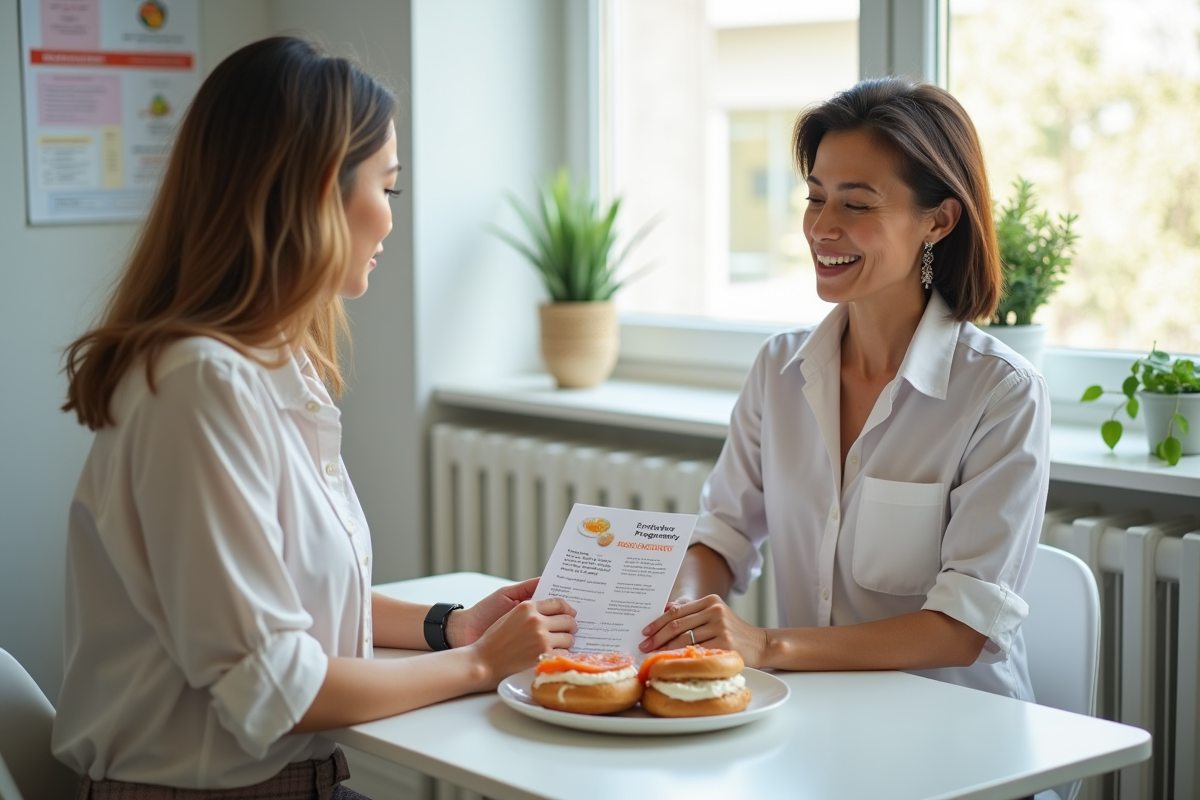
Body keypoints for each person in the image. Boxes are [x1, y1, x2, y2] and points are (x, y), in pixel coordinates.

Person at [53, 37, 576, 798]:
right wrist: (482, 665)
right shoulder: (199, 385)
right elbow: (277, 686)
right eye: (387, 189)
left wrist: (452, 625)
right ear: (317, 191)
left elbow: (282, 604)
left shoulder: (272, 367)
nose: (391, 223)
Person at [640, 77, 1049, 702]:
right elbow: (721, 536)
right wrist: (684, 610)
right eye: (815, 198)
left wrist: (765, 646)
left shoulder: (1001, 395)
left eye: (856, 205)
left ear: (937, 221)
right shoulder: (779, 369)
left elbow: (962, 628)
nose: (822, 228)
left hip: (956, 729)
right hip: (818, 718)